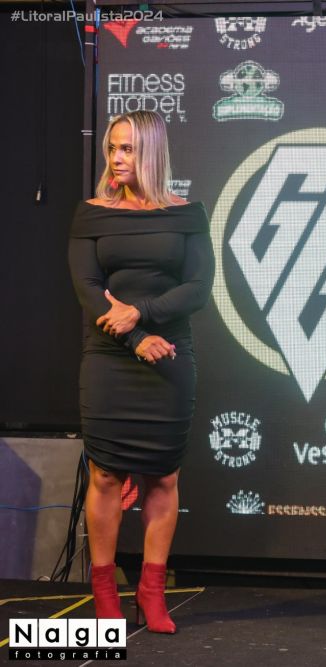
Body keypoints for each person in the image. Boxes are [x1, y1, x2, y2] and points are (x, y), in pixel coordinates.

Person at [67, 110, 214, 633]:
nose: (116, 157)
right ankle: (105, 592)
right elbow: (89, 291)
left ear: (150, 151)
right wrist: (134, 336)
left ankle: (152, 593)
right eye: (112, 148)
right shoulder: (92, 214)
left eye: (127, 148)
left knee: (163, 476)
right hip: (109, 357)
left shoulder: (187, 213)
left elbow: (198, 288)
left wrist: (144, 314)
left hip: (170, 357)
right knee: (106, 474)